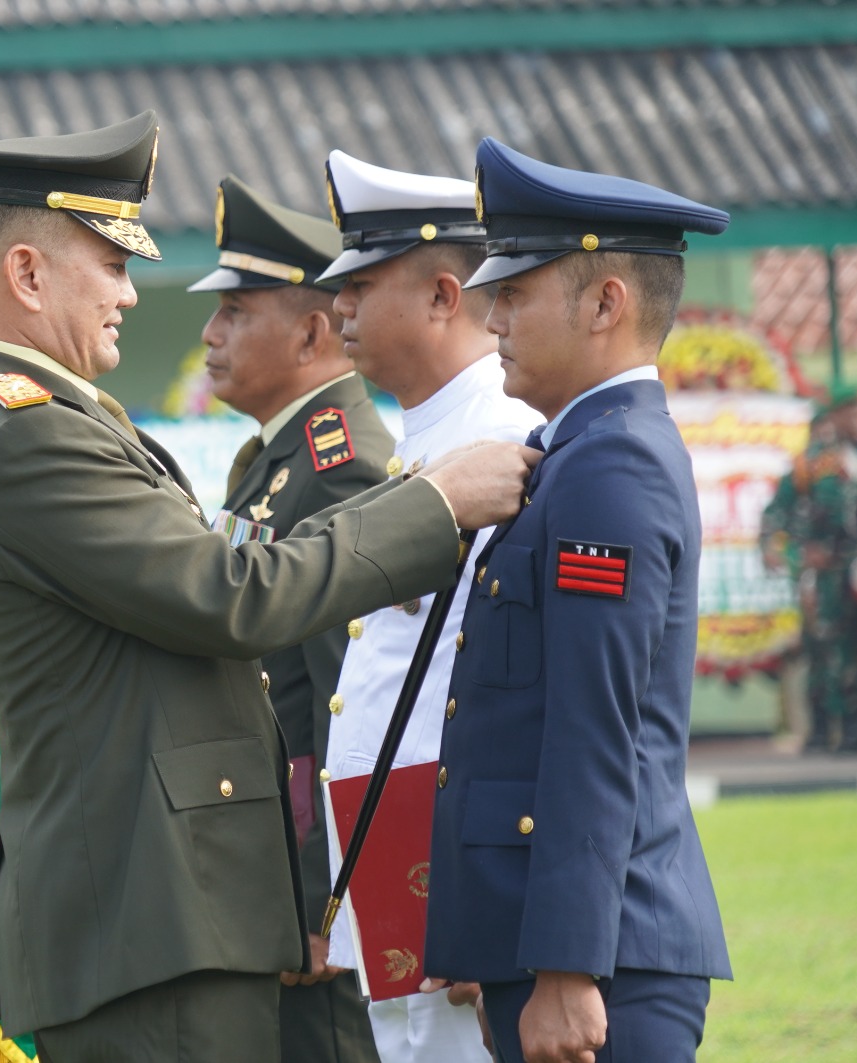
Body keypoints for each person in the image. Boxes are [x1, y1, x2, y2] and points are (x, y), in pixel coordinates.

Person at [0, 111, 536, 1062]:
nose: (129, 293)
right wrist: (437, 504)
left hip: (157, 904)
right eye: (110, 265)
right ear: (27, 275)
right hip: (148, 909)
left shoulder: (33, 416)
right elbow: (229, 593)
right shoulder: (29, 429)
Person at [424, 138, 735, 1063]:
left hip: (604, 961)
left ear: (607, 302)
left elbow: (596, 726)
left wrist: (564, 964)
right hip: (563, 943)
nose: (491, 316)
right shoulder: (576, 451)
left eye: (515, 293)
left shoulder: (612, 464)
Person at [315, 150, 537, 1063]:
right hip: (398, 856)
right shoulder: (430, 437)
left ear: (446, 294)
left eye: (362, 285)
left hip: (454, 867)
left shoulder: (507, 440)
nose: (339, 310)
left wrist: (495, 894)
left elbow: (521, 692)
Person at [190, 173, 388, 1063]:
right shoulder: (271, 462)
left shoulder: (338, 469)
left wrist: (324, 904)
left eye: (236, 311)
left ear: (313, 330)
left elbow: (346, 707)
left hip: (312, 897)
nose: (210, 332)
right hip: (264, 869)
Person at [758, 385, 857, 751]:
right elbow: (776, 515)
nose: (856, 418)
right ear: (834, 417)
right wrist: (791, 553)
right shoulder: (812, 464)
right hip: (829, 573)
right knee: (831, 650)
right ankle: (834, 728)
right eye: (848, 411)